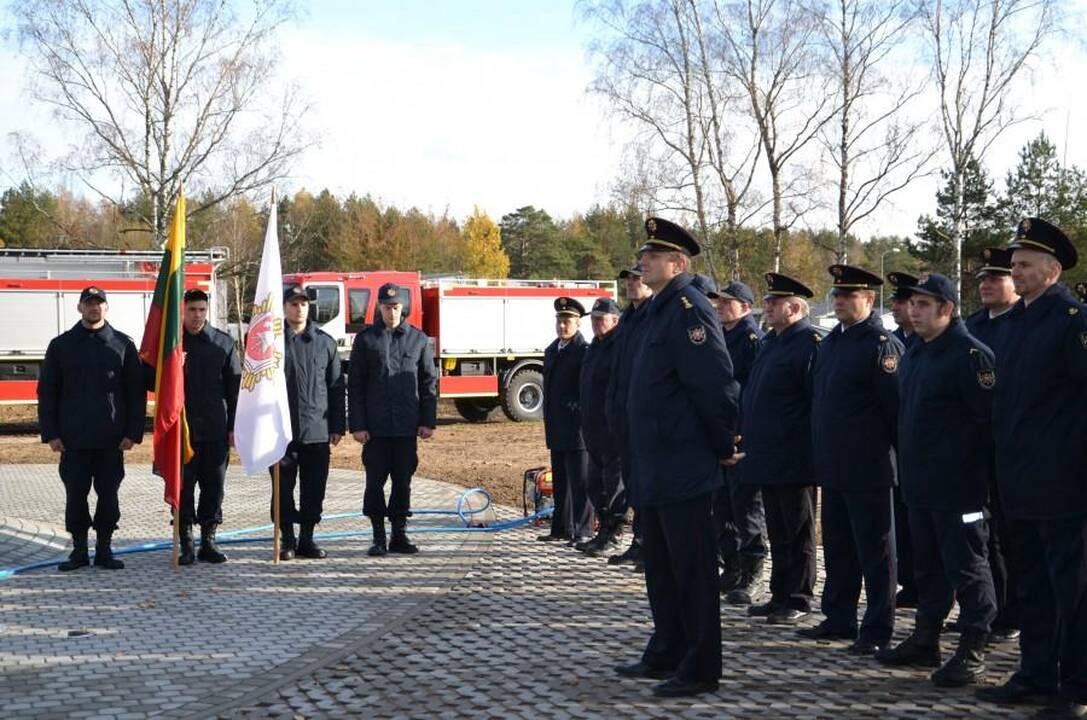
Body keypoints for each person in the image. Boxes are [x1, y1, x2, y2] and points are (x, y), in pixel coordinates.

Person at [615, 217, 741, 698]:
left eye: (653, 255)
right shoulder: (656, 310)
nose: (643, 261)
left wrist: (723, 444)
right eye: (644, 254)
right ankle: (667, 647)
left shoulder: (689, 308)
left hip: (682, 461)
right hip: (653, 461)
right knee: (663, 566)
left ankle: (702, 664)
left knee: (692, 569)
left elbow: (716, 384)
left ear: (678, 263)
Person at [976, 218, 1087, 719]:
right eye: (1014, 265)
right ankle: (1036, 672)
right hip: (1018, 478)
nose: (1014, 272)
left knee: (1074, 590)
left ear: (1052, 269)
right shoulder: (1016, 321)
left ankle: (1077, 686)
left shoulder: (1072, 320)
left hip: (1063, 481)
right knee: (1032, 585)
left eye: (1023, 265)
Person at [875, 273, 998, 688]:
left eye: (924, 305)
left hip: (959, 487)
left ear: (947, 309)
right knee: (927, 567)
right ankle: (926, 638)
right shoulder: (916, 352)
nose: (914, 310)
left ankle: (974, 645)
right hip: (921, 484)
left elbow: (988, 425)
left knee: (967, 567)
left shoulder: (970, 355)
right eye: (912, 304)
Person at [800, 265, 902, 656]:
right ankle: (839, 616)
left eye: (849, 296)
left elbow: (894, 410)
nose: (840, 301)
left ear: (869, 300)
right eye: (837, 295)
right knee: (839, 547)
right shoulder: (831, 343)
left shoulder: (881, 345)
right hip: (834, 464)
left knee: (876, 552)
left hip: (870, 466)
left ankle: (878, 627)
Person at [37, 286, 146, 571]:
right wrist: (51, 434)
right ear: (79, 308)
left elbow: (136, 393)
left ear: (106, 308)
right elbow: (47, 392)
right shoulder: (61, 345)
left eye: (99, 303)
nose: (94, 308)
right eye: (89, 303)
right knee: (76, 497)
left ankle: (105, 550)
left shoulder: (123, 345)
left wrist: (133, 433)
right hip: (73, 440)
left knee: (108, 496)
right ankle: (79, 551)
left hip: (111, 441)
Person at [740, 273, 821, 625]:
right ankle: (779, 593)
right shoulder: (773, 341)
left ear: (795, 307)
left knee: (799, 529)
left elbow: (814, 402)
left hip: (795, 454)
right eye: (768, 301)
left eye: (774, 302)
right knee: (777, 528)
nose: (768, 307)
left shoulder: (810, 342)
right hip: (768, 453)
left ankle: (800, 596)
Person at [349, 282, 438, 557]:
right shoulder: (366, 340)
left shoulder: (418, 339)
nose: (391, 312)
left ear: (403, 307)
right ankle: (378, 536)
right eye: (387, 307)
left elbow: (428, 383)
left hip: (405, 427)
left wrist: (427, 421)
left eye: (396, 307)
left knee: (403, 482)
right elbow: (356, 385)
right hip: (375, 430)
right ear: (379, 307)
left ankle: (399, 534)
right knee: (374, 483)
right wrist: (358, 425)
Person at [964, 246, 1021, 644]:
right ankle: (988, 609)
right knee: (981, 532)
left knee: (1010, 534)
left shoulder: (1021, 322)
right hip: (975, 450)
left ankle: (1011, 612)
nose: (985, 285)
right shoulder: (973, 325)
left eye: (995, 278)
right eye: (982, 278)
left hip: (1012, 447)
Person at [271, 285, 345, 561]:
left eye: (303, 303)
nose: (299, 308)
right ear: (285, 307)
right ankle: (287, 539)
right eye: (293, 303)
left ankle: (307, 539)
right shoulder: (272, 343)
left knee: (314, 489)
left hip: (316, 430)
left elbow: (336, 387)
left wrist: (338, 425)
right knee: (283, 490)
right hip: (281, 432)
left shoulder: (325, 343)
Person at [707, 280, 767, 606]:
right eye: (719, 302)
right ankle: (731, 567)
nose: (720, 307)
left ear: (744, 307)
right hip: (722, 432)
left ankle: (753, 573)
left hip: (742, 434)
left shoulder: (751, 339)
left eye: (727, 303)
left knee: (747, 508)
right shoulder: (723, 335)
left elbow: (750, 391)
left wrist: (740, 430)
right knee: (724, 505)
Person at [174, 289, 241, 565]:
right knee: (184, 488)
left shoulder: (223, 343)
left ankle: (208, 541)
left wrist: (234, 427)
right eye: (192, 310)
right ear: (184, 310)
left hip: (215, 429)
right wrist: (171, 366)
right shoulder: (173, 344)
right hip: (183, 430)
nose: (197, 315)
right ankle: (186, 543)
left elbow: (235, 389)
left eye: (202, 310)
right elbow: (153, 383)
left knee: (214, 487)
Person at [605, 265, 653, 570]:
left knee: (648, 487)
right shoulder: (629, 319)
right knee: (634, 485)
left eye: (637, 278)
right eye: (628, 279)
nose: (632, 283)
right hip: (626, 418)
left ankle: (649, 546)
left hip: (646, 418)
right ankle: (639, 543)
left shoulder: (653, 316)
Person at [538, 296, 593, 543]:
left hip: (577, 428)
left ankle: (582, 530)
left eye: (568, 321)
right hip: (557, 427)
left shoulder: (584, 351)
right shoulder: (552, 350)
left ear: (578, 323)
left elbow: (586, 389)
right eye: (560, 321)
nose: (563, 326)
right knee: (561, 482)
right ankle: (560, 529)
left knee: (580, 483)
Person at [576, 296, 626, 556]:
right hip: (592, 430)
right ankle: (603, 529)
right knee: (593, 484)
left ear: (615, 320)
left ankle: (614, 533)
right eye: (593, 320)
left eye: (600, 319)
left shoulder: (620, 346)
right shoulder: (594, 346)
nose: (595, 324)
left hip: (612, 430)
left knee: (615, 485)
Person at [885, 270, 919, 610]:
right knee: (906, 524)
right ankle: (911, 582)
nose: (895, 306)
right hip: (899, 450)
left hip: (919, 451)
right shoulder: (897, 339)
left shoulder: (912, 343)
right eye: (894, 300)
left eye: (903, 301)